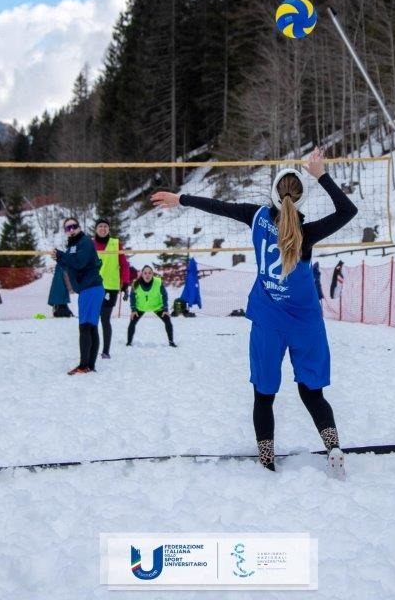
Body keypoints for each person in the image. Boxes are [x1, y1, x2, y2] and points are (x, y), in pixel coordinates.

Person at [151, 148, 357, 478]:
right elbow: (348, 210)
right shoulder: (307, 233)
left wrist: (181, 199)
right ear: (301, 200)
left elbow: (218, 206)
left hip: (268, 321)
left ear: (273, 193)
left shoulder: (257, 215)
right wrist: (321, 175)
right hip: (306, 323)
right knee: (311, 392)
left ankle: (267, 459)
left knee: (264, 394)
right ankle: (333, 446)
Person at [51, 218, 105, 375]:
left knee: (85, 327)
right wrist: (59, 258)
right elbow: (70, 265)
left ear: (79, 227)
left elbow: (80, 262)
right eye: (68, 228)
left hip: (91, 288)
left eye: (74, 226)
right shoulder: (72, 245)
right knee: (91, 327)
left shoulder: (85, 242)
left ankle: (84, 366)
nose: (71, 230)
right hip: (89, 289)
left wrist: (62, 255)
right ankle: (89, 365)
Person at [93, 218, 130, 359]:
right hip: (93, 287)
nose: (103, 228)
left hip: (110, 288)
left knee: (105, 319)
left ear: (108, 229)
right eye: (100, 226)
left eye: (105, 226)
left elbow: (124, 265)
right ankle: (92, 347)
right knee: (92, 320)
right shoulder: (90, 244)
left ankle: (106, 351)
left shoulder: (115, 243)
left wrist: (125, 283)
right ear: (96, 229)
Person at [126, 265, 176, 348]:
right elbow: (132, 296)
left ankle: (171, 342)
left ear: (153, 274)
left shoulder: (158, 282)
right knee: (132, 322)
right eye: (145, 273)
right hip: (140, 307)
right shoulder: (136, 284)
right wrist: (133, 310)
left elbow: (164, 295)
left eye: (150, 273)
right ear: (142, 274)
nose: (147, 275)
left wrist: (165, 309)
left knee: (167, 321)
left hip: (157, 306)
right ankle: (128, 343)